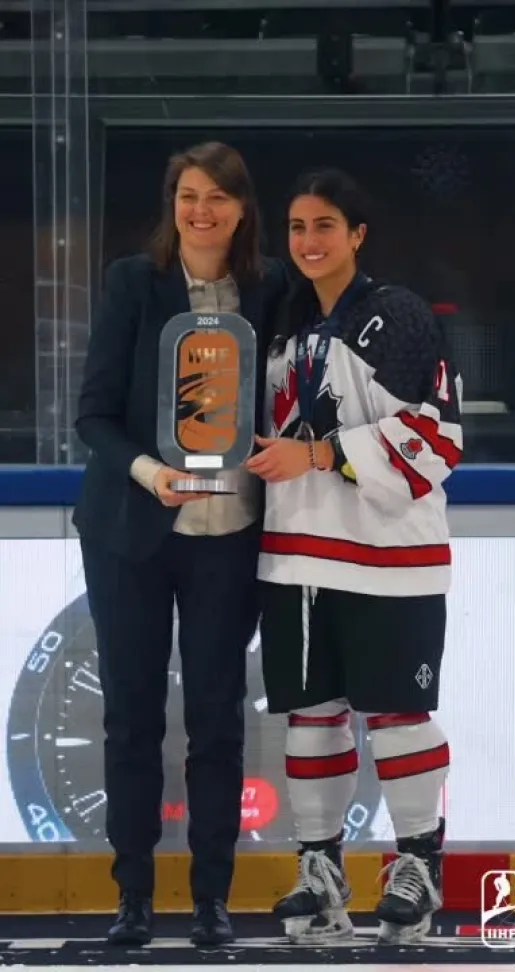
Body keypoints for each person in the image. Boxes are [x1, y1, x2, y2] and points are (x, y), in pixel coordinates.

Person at [73, 142, 287, 947]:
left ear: (241, 209)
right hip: (133, 530)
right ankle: (132, 896)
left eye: (218, 198)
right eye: (188, 196)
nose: (202, 211)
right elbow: (92, 414)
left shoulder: (270, 292)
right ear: (172, 204)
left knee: (217, 721)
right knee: (130, 716)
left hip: (227, 535)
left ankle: (210, 900)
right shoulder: (134, 283)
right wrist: (147, 471)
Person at [247, 168, 462, 946]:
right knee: (309, 717)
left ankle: (416, 863)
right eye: (297, 227)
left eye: (324, 226)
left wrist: (318, 457)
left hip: (388, 556)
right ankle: (319, 864)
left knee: (398, 715)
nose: (308, 242)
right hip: (295, 559)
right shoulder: (279, 329)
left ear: (357, 235)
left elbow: (439, 441)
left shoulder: (396, 316)